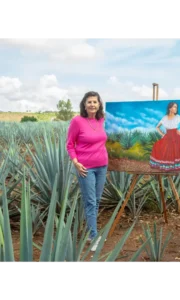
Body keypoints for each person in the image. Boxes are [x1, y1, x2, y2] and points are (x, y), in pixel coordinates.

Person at [66, 91, 108, 251]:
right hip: (86, 168)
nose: (92, 105)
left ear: (99, 104)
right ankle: (93, 236)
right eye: (89, 102)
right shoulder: (77, 121)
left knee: (96, 201)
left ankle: (91, 231)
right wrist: (76, 163)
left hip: (102, 166)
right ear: (84, 104)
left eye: (95, 102)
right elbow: (70, 144)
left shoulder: (101, 120)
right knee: (90, 201)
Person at [149, 101, 180, 171]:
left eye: (176, 107)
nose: (176, 109)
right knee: (159, 147)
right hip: (168, 136)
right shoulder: (165, 118)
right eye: (174, 107)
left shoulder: (178, 117)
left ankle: (174, 168)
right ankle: (167, 167)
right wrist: (163, 134)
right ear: (170, 108)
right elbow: (157, 127)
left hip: (176, 137)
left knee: (175, 152)